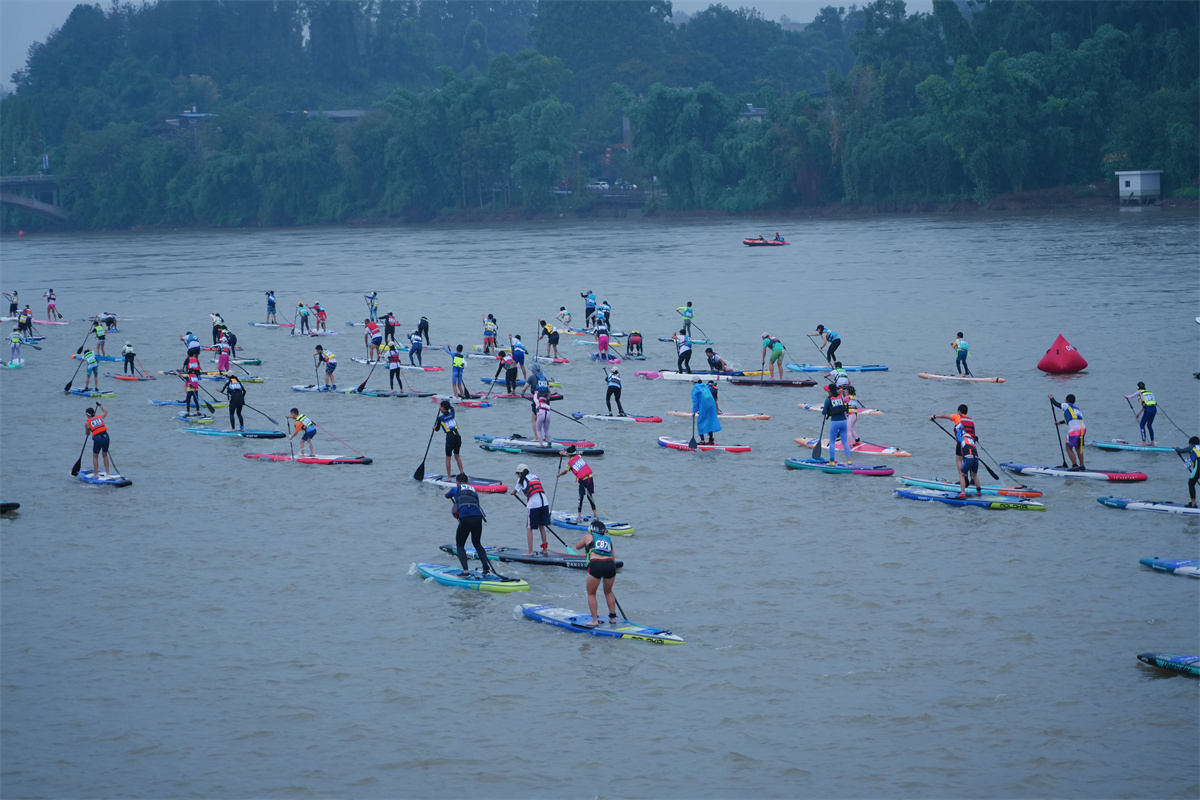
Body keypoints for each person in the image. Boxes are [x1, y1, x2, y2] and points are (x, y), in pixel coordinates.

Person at [446, 473, 494, 577]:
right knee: (477, 543)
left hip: (466, 518)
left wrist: (447, 492)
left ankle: (466, 571)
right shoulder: (473, 489)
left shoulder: (456, 488)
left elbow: (447, 495)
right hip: (478, 517)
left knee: (460, 545)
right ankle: (486, 568)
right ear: (468, 482)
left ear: (457, 482)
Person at [577, 520, 617, 627]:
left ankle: (595, 620)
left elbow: (577, 547)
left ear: (592, 530)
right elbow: (613, 558)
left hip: (596, 564)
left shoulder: (588, 537)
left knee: (591, 593)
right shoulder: (608, 540)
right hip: (609, 565)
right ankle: (613, 618)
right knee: (609, 592)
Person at [513, 464, 551, 556]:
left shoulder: (520, 480)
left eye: (518, 474)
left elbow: (514, 492)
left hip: (534, 504)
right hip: (545, 503)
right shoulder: (535, 476)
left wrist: (511, 493)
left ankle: (530, 552)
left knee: (529, 527)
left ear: (520, 473)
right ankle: (545, 549)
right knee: (541, 526)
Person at [932, 405, 977, 474]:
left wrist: (934, 416)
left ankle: (962, 476)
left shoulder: (957, 416)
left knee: (959, 460)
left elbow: (944, 416)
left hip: (962, 442)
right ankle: (972, 478)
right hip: (972, 443)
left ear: (959, 411)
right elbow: (972, 433)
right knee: (969, 459)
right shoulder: (971, 420)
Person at [557, 445, 597, 521]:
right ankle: (595, 515)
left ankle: (579, 517)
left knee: (580, 498)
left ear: (568, 455)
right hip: (590, 478)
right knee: (590, 497)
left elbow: (565, 472)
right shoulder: (579, 456)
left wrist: (559, 475)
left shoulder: (569, 464)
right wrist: (565, 454)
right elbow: (571, 455)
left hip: (583, 481)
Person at [1049, 393, 1086, 470]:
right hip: (1082, 428)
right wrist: (1060, 422)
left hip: (1074, 429)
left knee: (1068, 448)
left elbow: (1056, 404)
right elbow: (1072, 418)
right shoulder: (1076, 408)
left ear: (1066, 401)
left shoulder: (1067, 405)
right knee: (1078, 447)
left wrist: (1051, 398)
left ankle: (1074, 466)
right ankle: (1082, 466)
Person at [821, 383, 852, 464]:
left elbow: (823, 412)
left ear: (829, 391)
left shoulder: (828, 400)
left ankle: (832, 461)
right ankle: (849, 460)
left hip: (835, 422)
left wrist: (826, 410)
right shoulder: (840, 397)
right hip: (844, 421)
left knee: (832, 442)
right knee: (845, 442)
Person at [435, 399, 465, 476]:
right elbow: (451, 408)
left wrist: (434, 428)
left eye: (440, 407)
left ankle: (449, 477)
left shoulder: (440, 418)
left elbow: (437, 429)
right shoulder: (452, 413)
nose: (440, 408)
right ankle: (462, 473)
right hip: (457, 436)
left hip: (450, 438)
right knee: (457, 455)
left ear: (443, 408)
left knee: (448, 457)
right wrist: (444, 403)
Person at [85, 404, 114, 477]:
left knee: (95, 456)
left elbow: (87, 434)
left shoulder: (87, 423)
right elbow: (105, 411)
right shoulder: (100, 417)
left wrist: (89, 430)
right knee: (105, 455)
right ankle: (108, 472)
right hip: (106, 436)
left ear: (87, 415)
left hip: (98, 439)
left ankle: (96, 474)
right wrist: (100, 405)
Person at [956, 420, 982, 498]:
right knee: (975, 475)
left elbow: (957, 436)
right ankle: (979, 492)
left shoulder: (963, 440)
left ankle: (963, 493)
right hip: (976, 459)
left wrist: (960, 430)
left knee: (962, 474)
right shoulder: (972, 442)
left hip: (969, 459)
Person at [692, 379, 721, 445]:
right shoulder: (705, 386)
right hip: (711, 406)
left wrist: (694, 411)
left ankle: (702, 441)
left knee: (700, 423)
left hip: (704, 407)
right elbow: (709, 397)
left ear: (693, 382)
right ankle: (711, 440)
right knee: (710, 422)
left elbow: (695, 400)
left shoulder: (695, 388)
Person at [1173, 436, 1200, 508]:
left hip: (1198, 467)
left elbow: (1181, 450)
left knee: (1191, 483)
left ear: (1190, 444)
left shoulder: (1192, 447)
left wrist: (1176, 447)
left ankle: (1193, 503)